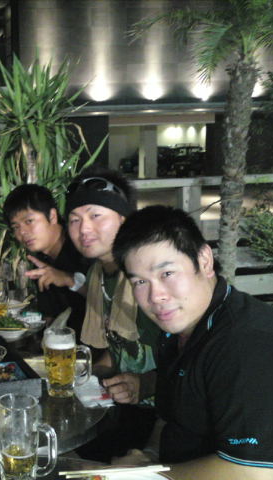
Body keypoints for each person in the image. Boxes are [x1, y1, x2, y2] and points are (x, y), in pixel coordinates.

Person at [112, 205, 273, 478]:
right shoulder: (176, 331)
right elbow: (170, 417)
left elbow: (255, 473)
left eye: (167, 273)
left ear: (204, 260)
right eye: (140, 282)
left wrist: (152, 475)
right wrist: (149, 456)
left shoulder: (246, 344)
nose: (156, 296)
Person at [65, 167, 160, 461]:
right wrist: (79, 378)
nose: (84, 229)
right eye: (74, 219)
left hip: (167, 416)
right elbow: (116, 347)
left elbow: (193, 356)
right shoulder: (99, 274)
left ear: (124, 219)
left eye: (96, 215)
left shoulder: (148, 276)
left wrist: (145, 383)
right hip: (127, 408)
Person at [2, 184, 88, 332]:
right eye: (16, 227)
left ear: (52, 216)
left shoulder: (84, 246)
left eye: (29, 221)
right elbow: (50, 317)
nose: (22, 232)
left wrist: (69, 279)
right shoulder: (40, 260)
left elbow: (110, 302)